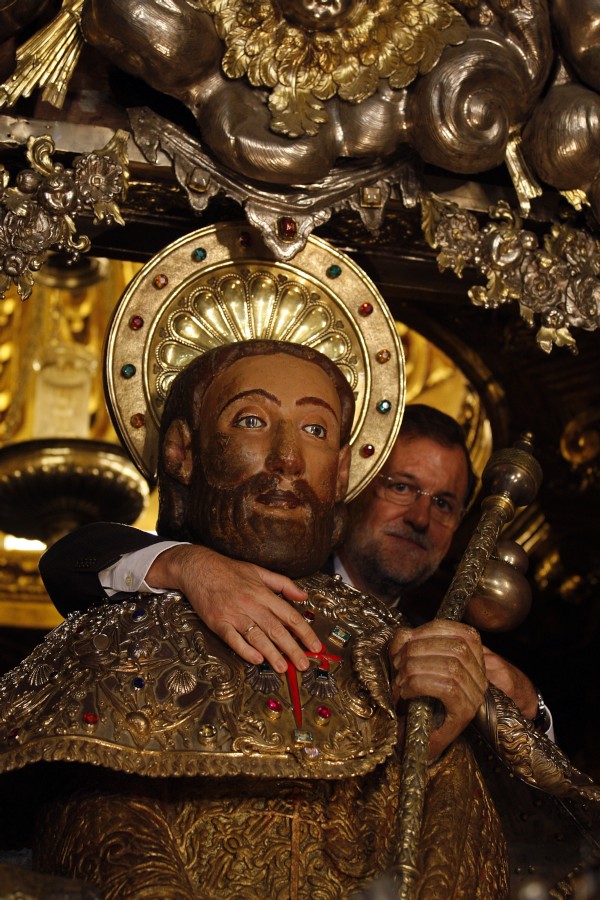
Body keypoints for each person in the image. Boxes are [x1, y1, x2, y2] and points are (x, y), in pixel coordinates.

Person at [0, 340, 510, 897]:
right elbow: (85, 814)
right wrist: (189, 565)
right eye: (251, 420)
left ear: (342, 471)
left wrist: (439, 744)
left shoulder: (390, 643)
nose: (288, 458)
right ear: (183, 450)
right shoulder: (123, 624)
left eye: (315, 430)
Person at [40, 405, 548, 730]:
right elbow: (68, 564)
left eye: (444, 503)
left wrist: (529, 708)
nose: (420, 518)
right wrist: (187, 564)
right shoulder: (255, 575)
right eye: (401, 487)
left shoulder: (444, 639)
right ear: (351, 484)